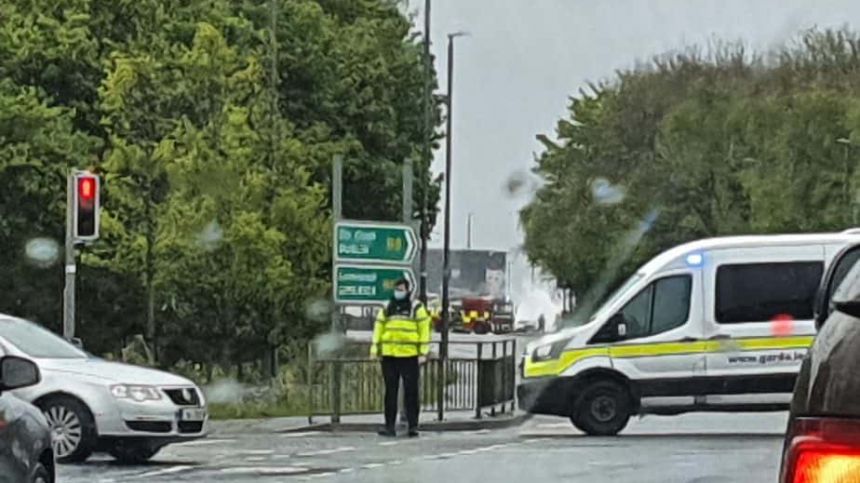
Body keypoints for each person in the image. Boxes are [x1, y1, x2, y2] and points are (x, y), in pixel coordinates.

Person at [370, 278, 431, 437]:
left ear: (408, 290)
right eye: (397, 288)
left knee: (411, 392)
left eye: (402, 289)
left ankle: (412, 426)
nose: (398, 291)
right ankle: (389, 426)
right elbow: (378, 327)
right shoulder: (387, 306)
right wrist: (375, 349)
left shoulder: (416, 307)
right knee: (390, 392)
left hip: (409, 355)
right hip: (389, 355)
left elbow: (424, 329)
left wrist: (423, 352)